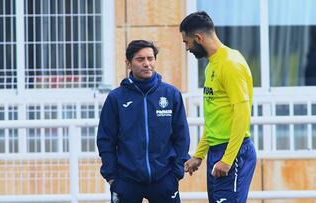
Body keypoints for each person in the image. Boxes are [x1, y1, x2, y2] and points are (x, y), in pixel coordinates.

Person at [97, 40, 190, 203]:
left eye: (150, 58)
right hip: (126, 181)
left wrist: (176, 173)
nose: (147, 64)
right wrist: (112, 177)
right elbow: (106, 139)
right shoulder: (116, 98)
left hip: (165, 179)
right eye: (140, 59)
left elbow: (181, 136)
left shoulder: (171, 94)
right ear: (128, 63)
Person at [180, 11, 257, 203]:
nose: (187, 48)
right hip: (216, 151)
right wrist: (199, 155)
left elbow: (242, 113)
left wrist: (228, 159)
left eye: (186, 42)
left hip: (233, 152)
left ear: (198, 38)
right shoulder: (211, 66)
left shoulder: (230, 64)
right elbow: (215, 116)